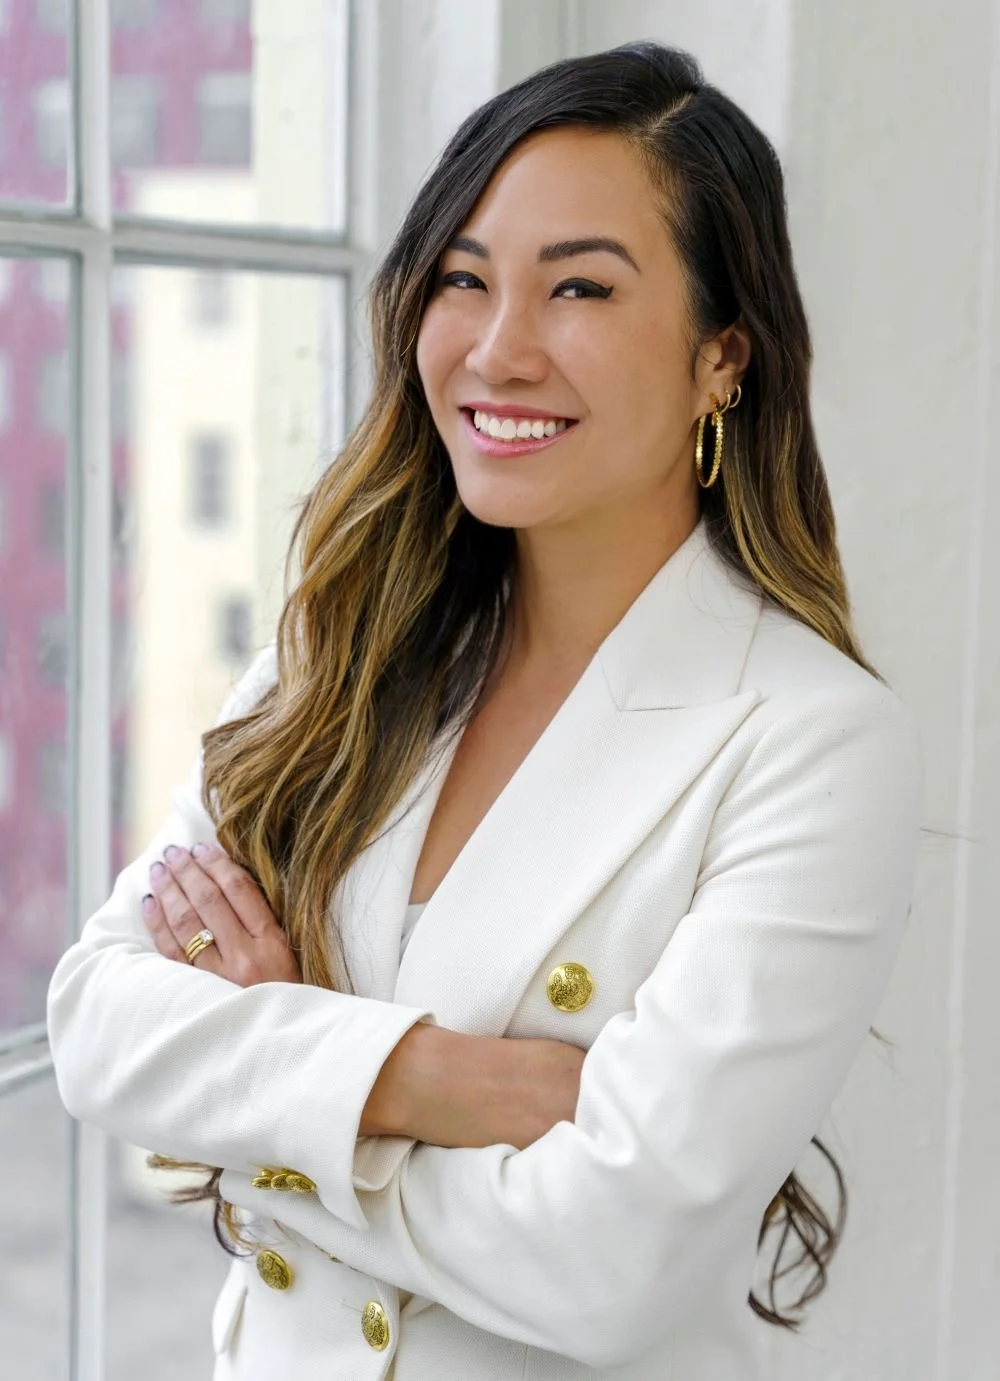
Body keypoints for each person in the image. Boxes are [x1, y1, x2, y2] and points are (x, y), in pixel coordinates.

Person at [46, 40, 923, 1381]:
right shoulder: (340, 645)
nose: (499, 350)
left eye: (579, 287)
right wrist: (430, 1082)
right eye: (464, 279)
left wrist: (273, 1096)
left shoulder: (811, 745)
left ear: (722, 361)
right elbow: (98, 1019)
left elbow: (608, 1267)